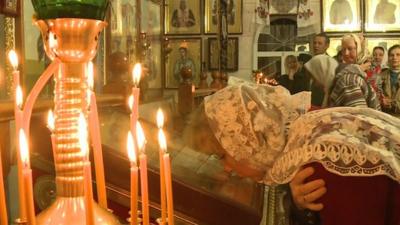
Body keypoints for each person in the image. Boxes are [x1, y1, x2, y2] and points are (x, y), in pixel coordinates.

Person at [185, 79, 400, 225]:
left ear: (246, 141)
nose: (226, 168)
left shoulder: (320, 159)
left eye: (222, 155)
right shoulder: (304, 133)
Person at [310, 33, 330, 110]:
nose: (316, 46)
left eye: (319, 43)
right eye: (314, 43)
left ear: (327, 46)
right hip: (309, 104)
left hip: (322, 106)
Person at [378, 44, 400, 114]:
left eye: (398, 55)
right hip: (384, 118)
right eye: (391, 55)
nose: (394, 57)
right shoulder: (380, 75)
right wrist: (381, 101)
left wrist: (393, 104)